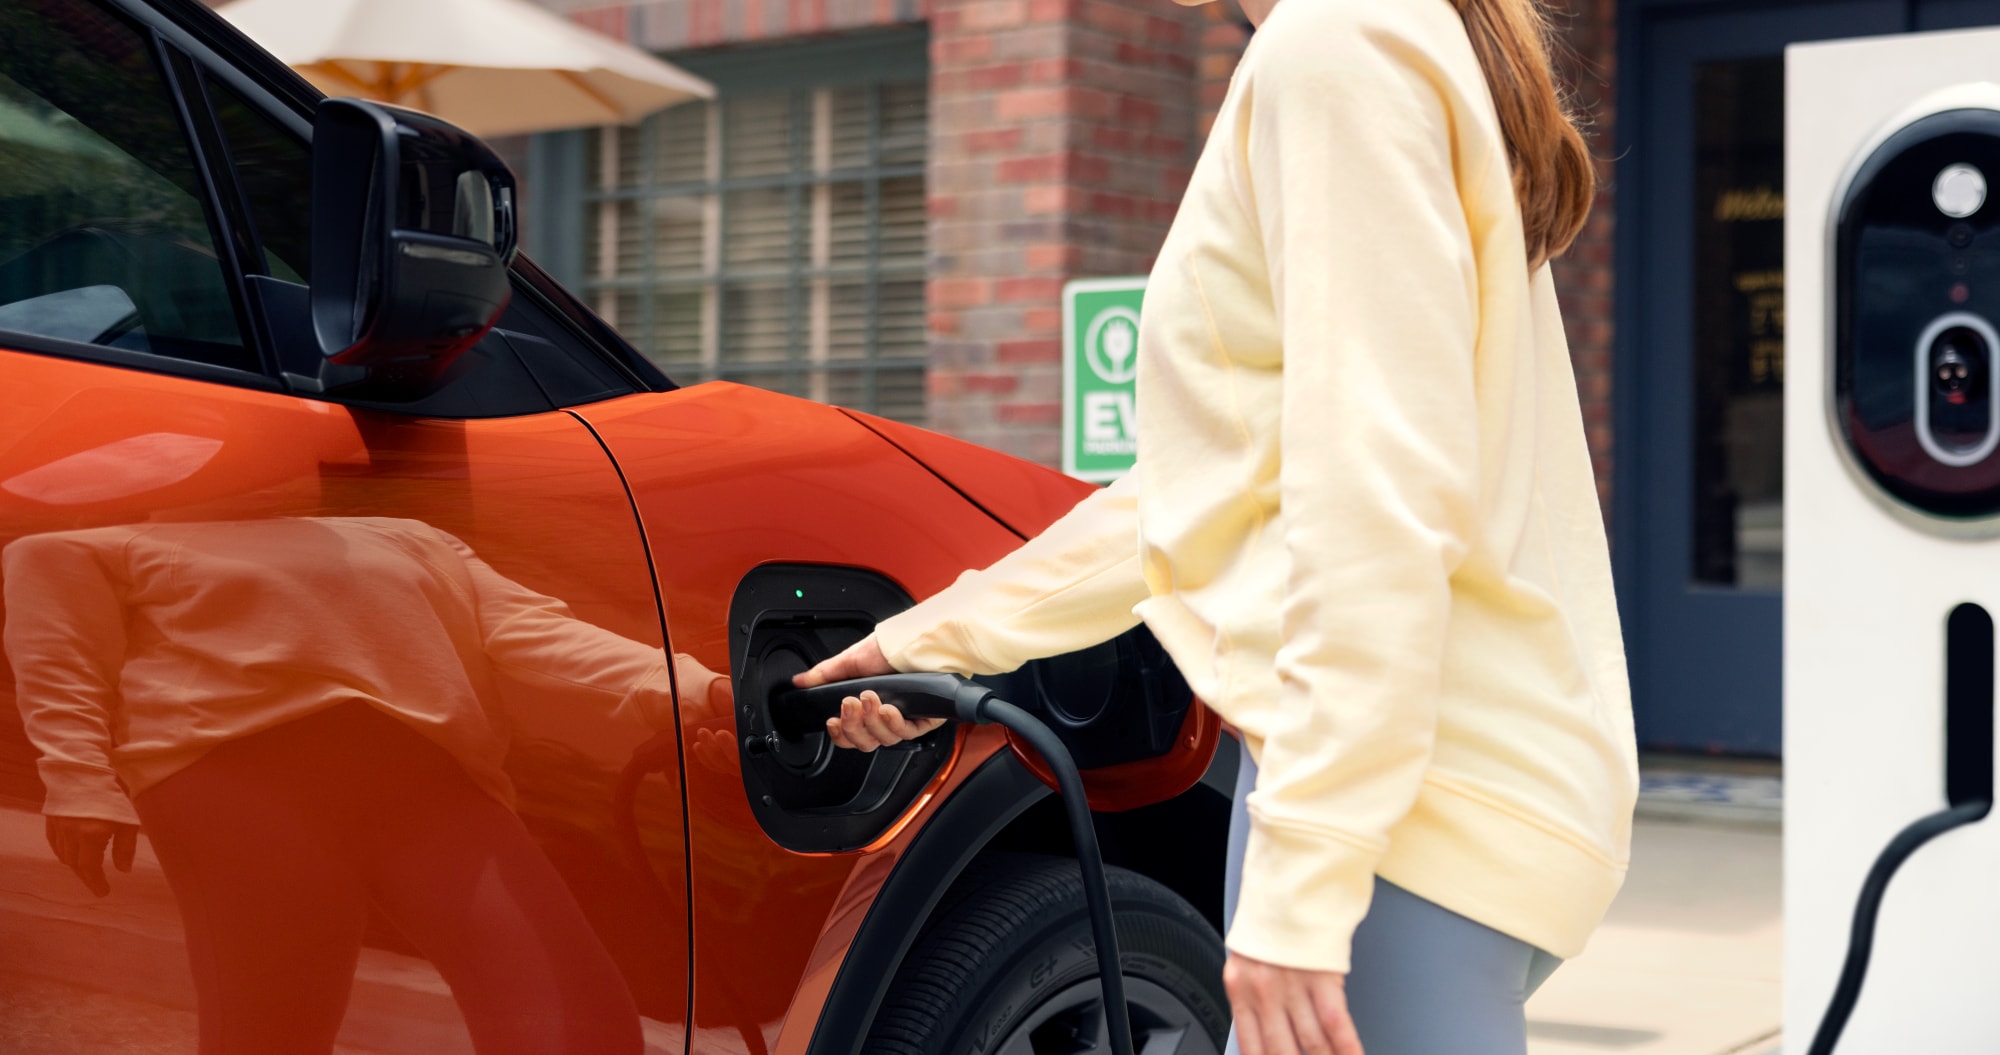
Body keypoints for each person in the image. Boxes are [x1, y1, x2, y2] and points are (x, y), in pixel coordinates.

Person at [794, 0, 1639, 1052]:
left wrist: (1303, 875)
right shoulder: (1390, 39)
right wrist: (928, 644)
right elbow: (1212, 488)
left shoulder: (1336, 44)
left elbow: (1370, 494)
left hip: (1402, 821)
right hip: (1447, 790)